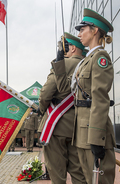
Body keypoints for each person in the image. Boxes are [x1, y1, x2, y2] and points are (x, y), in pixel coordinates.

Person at [64, 8, 115, 184]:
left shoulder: (100, 58)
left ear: (94, 31)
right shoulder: (87, 59)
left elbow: (100, 99)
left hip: (93, 133)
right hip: (82, 133)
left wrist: (96, 139)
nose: (79, 34)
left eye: (82, 29)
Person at [40, 32, 86, 184]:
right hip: (79, 126)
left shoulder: (62, 64)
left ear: (72, 48)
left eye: (66, 47)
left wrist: (42, 108)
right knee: (79, 173)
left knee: (57, 174)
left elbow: (46, 93)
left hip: (57, 125)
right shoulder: (88, 65)